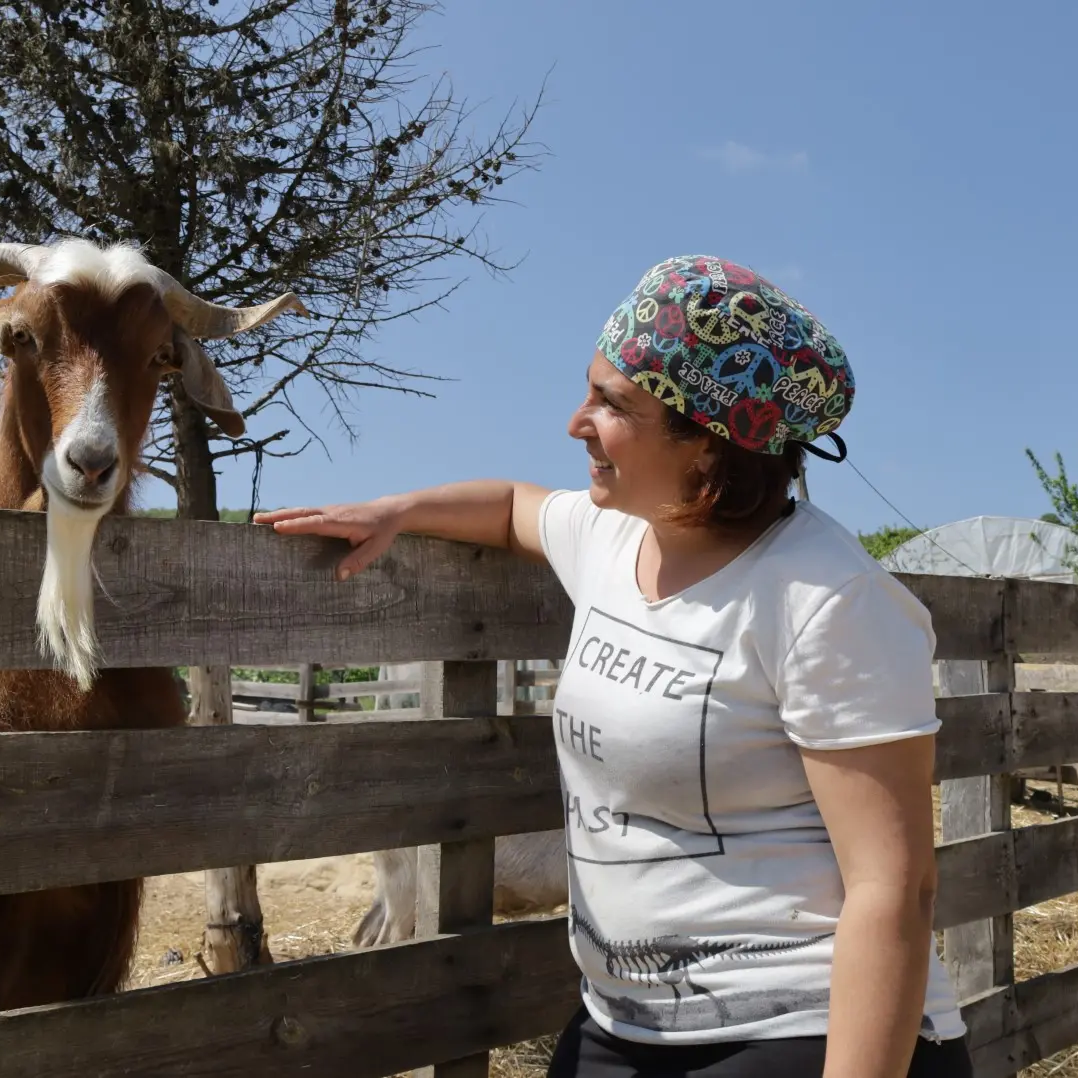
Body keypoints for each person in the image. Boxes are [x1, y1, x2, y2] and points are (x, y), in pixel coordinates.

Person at [253, 255, 971, 1078]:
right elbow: (515, 507)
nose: (575, 422)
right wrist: (400, 509)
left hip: (797, 1029)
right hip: (624, 1025)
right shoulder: (617, 535)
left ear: (706, 447)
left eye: (611, 403)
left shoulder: (828, 598)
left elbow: (893, 886)